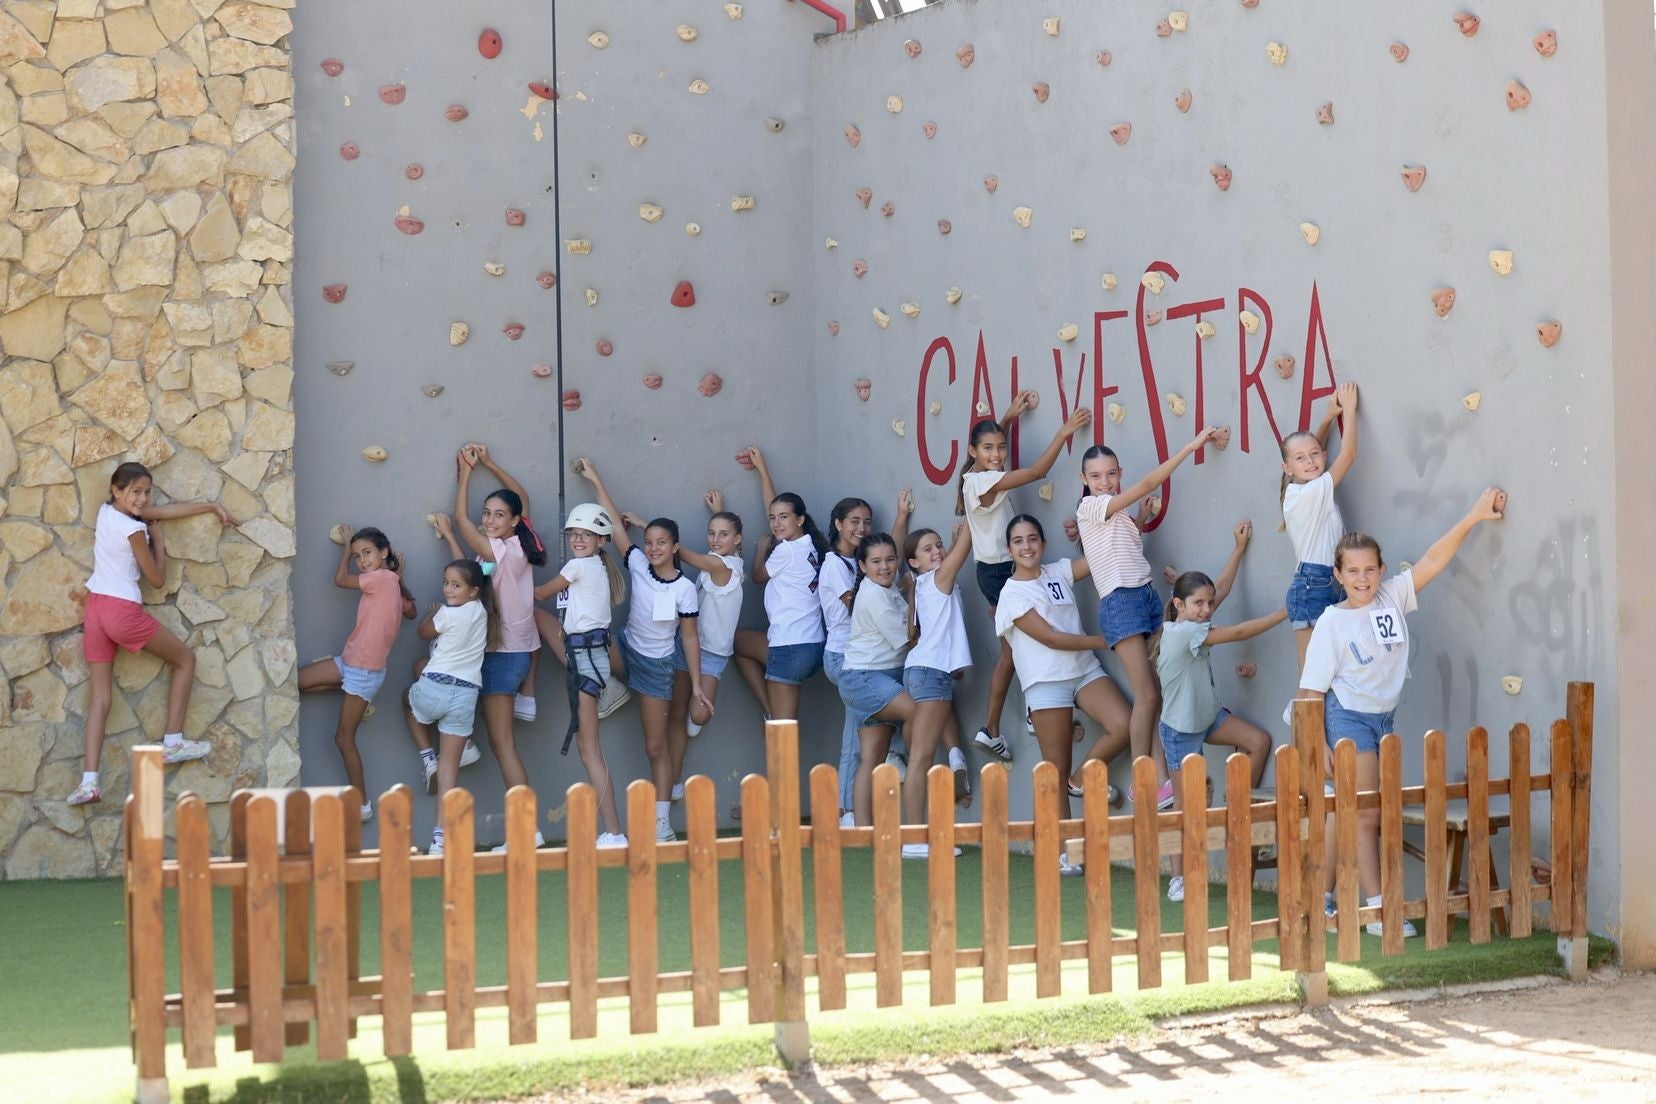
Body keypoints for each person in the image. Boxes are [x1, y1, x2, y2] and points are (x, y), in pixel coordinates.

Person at [1295, 488, 1508, 937]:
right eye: (1352, 570)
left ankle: (1324, 900)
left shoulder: (1391, 598)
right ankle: (1378, 909)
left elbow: (1432, 560)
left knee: (1343, 812)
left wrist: (1472, 517)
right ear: (1337, 574)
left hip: (1382, 718)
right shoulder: (1332, 622)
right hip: (1347, 718)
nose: (1362, 578)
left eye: (1370, 569)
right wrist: (1320, 744)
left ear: (1382, 570)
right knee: (1369, 814)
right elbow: (1310, 692)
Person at [68, 462, 235, 805]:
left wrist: (210, 506)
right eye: (136, 492)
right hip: (121, 612)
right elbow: (157, 579)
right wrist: (158, 541)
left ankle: (88, 782)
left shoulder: (107, 512)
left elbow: (165, 510)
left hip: (96, 609)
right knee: (186, 659)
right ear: (116, 489)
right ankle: (173, 741)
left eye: (147, 492)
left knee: (100, 698)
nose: (143, 499)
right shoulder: (134, 531)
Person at [1074, 425, 1221, 808]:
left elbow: (1122, 545)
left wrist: (1138, 518)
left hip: (1146, 597)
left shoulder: (1115, 514)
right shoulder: (1090, 507)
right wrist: (1190, 445)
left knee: (1157, 694)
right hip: (1121, 602)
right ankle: (1146, 780)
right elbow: (1149, 482)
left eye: (1110, 474)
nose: (1104, 482)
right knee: (1147, 694)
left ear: (1117, 472)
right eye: (1095, 476)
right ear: (1084, 480)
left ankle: (1159, 776)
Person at [577, 458, 711, 843]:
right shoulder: (636, 562)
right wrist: (595, 479)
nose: (652, 548)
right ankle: (613, 686)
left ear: (675, 548)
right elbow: (616, 527)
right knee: (581, 641)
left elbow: (689, 638)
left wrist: (698, 685)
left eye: (661, 543)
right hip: (624, 648)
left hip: (656, 668)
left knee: (655, 746)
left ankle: (661, 822)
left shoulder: (685, 589)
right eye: (649, 541)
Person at [1154, 524, 1287, 903]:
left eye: (1208, 604)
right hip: (1180, 731)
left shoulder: (1196, 621)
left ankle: (1237, 810)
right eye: (1198, 604)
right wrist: (1283, 612)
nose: (1207, 609)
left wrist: (1239, 547)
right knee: (1186, 808)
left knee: (1258, 742)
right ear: (1178, 604)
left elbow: (1221, 590)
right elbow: (1241, 633)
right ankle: (1178, 878)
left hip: (1208, 717)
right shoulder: (1182, 633)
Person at [994, 515, 1132, 876]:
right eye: (1019, 541)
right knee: (1052, 769)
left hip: (1084, 669)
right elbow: (1052, 638)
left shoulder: (1058, 571)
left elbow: (1102, 557)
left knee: (1125, 724)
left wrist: (1131, 521)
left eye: (1033, 539)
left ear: (1044, 543)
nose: (1027, 547)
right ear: (1009, 549)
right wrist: (1108, 640)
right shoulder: (1011, 594)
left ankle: (1080, 780)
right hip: (1045, 681)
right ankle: (1065, 852)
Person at [957, 396, 1092, 760]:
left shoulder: (976, 477)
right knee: (1011, 651)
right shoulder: (980, 483)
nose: (997, 454)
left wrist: (1009, 418)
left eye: (1001, 447)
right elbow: (1034, 473)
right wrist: (1065, 431)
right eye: (988, 449)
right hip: (1001, 569)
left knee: (1013, 649)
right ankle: (1000, 724)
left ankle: (1005, 722)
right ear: (973, 451)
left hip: (991, 568)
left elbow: (992, 454)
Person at [437, 443, 545, 844]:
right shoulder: (516, 545)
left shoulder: (502, 550)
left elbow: (462, 520)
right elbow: (525, 497)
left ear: (515, 521)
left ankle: (526, 830)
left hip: (503, 658)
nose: (490, 519)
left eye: (500, 515)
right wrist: (490, 464)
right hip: (511, 654)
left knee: (503, 745)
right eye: (489, 513)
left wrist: (466, 471)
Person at [296, 527, 416, 821]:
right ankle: (354, 696)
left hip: (363, 672)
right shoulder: (389, 581)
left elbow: (339, 580)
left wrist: (344, 547)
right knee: (297, 682)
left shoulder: (380, 578)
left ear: (383, 553)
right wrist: (400, 578)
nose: (361, 560)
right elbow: (411, 612)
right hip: (348, 661)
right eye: (356, 556)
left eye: (366, 553)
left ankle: (362, 805)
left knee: (343, 738)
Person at [530, 501, 629, 847]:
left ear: (601, 540)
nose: (577, 539)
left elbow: (541, 593)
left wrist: (504, 580)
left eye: (586, 535)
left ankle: (614, 831)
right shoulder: (596, 566)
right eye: (574, 533)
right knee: (590, 749)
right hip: (590, 654)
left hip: (586, 657)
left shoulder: (578, 566)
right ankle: (613, 831)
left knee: (590, 750)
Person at [841, 533, 946, 857]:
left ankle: (863, 832)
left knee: (869, 759)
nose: (885, 567)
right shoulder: (873, 596)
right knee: (918, 712)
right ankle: (911, 761)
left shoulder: (886, 590)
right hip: (866, 679)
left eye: (890, 559)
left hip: (873, 679)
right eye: (876, 561)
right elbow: (907, 638)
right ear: (862, 566)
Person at [731, 446, 830, 723]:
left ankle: (771, 716)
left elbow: (759, 576)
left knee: (782, 733)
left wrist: (762, 548)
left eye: (783, 517)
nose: (775, 523)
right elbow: (773, 506)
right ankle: (769, 710)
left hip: (790, 648)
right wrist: (762, 469)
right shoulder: (808, 543)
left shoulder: (784, 551)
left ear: (800, 520)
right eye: (773, 518)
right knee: (738, 642)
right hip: (811, 646)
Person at [408, 560, 494, 856]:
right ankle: (439, 839)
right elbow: (480, 573)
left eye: (455, 585)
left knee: (408, 702)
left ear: (473, 590)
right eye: (446, 582)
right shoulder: (483, 612)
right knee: (451, 772)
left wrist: (431, 613)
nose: (447, 589)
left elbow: (422, 632)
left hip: (435, 687)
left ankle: (427, 757)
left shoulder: (445, 613)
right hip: (466, 695)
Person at [666, 492, 746, 799]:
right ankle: (674, 781)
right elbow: (714, 551)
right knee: (674, 717)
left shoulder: (726, 566)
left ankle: (692, 714)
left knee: (698, 715)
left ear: (737, 539)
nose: (715, 539)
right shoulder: (721, 560)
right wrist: (720, 512)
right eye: (711, 533)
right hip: (687, 645)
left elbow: (692, 557)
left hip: (713, 655)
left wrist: (659, 535)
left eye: (723, 535)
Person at [1281, 382, 1360, 671]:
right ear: (1286, 468)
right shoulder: (1308, 494)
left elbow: (1313, 453)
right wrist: (1349, 411)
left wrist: (1328, 418)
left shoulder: (1306, 485)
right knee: (1313, 676)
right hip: (1312, 585)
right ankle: (1302, 717)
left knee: (1330, 671)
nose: (1310, 461)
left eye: (1315, 454)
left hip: (1329, 580)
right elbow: (1348, 455)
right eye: (1299, 459)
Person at [902, 522, 976, 816]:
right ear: (914, 562)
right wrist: (976, 491)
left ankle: (919, 832)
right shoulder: (937, 579)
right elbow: (966, 546)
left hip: (929, 671)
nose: (937, 551)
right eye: (927, 548)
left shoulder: (927, 584)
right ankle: (917, 836)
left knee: (921, 756)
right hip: (929, 673)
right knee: (921, 757)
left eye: (939, 545)